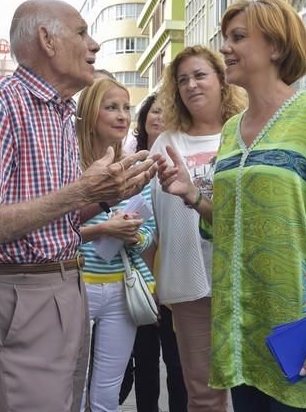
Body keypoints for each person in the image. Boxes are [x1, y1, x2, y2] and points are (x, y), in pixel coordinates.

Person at [0, 0, 156, 412]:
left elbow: (53, 218)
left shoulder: (61, 113)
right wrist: (82, 192)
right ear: (46, 39)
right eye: (81, 33)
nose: (93, 44)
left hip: (64, 286)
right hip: (21, 292)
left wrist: (103, 196)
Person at [157, 0, 306, 411]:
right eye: (225, 37)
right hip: (239, 327)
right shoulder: (232, 130)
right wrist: (194, 197)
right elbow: (229, 223)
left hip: (298, 325)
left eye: (238, 37)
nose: (226, 47)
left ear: (277, 47)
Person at [149, 45, 246, 412]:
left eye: (200, 75)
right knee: (204, 394)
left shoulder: (245, 131)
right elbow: (153, 220)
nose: (191, 85)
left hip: (244, 280)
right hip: (190, 285)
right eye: (183, 79)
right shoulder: (167, 142)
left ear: (222, 80)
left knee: (254, 387)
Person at [75, 78, 156, 412]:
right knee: (72, 389)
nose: (122, 116)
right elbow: (52, 229)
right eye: (111, 107)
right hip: (75, 288)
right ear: (91, 114)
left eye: (126, 108)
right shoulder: (70, 164)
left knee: (107, 394)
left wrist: (134, 235)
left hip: (123, 289)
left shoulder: (135, 167)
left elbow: (150, 231)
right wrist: (103, 228)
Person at [119, 93, 188, 412]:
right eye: (154, 112)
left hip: (178, 278)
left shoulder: (182, 164)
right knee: (144, 362)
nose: (159, 117)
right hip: (139, 280)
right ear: (144, 119)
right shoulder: (130, 165)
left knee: (179, 366)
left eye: (166, 112)